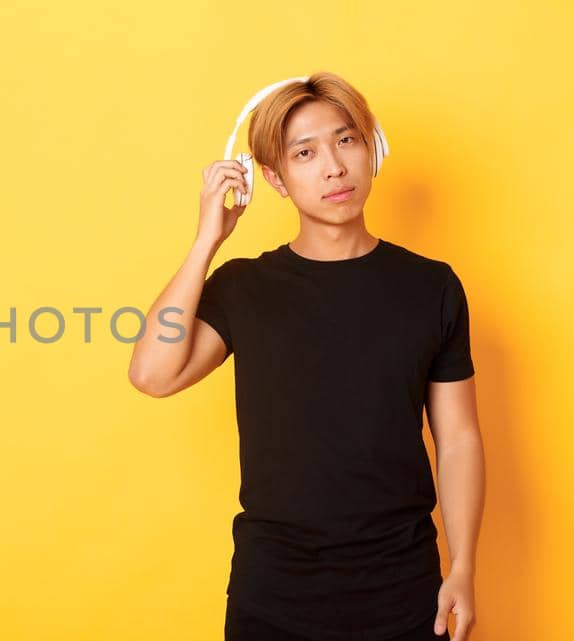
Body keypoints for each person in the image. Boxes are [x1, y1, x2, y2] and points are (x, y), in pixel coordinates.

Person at [126, 72, 485, 641]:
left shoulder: (431, 286)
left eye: (346, 141)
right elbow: (151, 373)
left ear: (372, 150)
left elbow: (459, 436)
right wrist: (206, 242)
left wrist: (462, 566)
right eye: (305, 152)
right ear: (273, 178)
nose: (334, 167)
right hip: (274, 591)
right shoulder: (244, 287)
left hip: (404, 585)